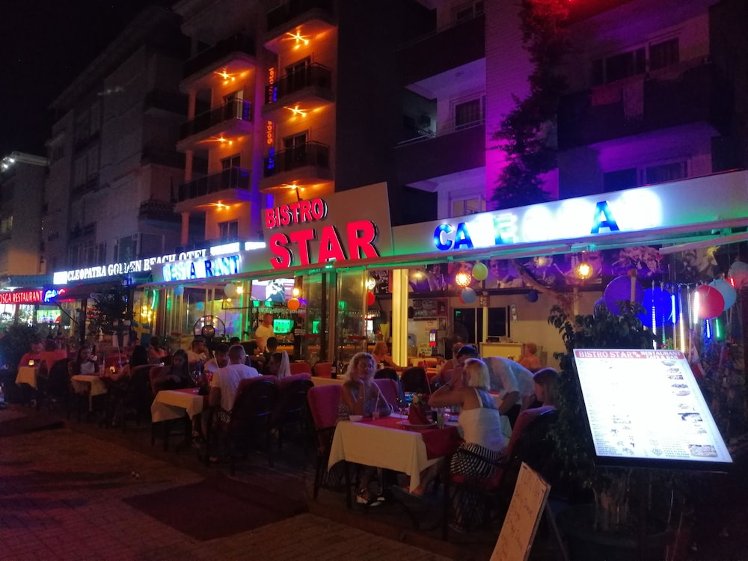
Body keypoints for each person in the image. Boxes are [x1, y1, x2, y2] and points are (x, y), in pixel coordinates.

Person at [427, 358, 506, 531]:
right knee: (450, 451)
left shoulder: (467, 392)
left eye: (463, 373)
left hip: (476, 459)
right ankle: (424, 490)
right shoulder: (489, 397)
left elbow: (432, 401)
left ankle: (460, 517)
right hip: (495, 460)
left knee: (444, 456)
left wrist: (450, 383)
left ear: (468, 375)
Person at [338, 352, 392, 506]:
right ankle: (361, 489)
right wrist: (362, 387)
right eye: (363, 366)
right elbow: (357, 413)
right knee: (375, 448)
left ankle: (385, 486)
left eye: (370, 366)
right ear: (355, 368)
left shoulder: (372, 385)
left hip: (366, 428)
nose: (367, 369)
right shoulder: (347, 387)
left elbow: (388, 409)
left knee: (386, 444)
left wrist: (378, 412)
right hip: (346, 431)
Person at [456, 345, 535, 427]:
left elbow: (514, 393)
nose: (467, 366)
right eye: (462, 364)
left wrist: (495, 415)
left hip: (532, 392)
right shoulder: (477, 371)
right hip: (518, 395)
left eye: (470, 362)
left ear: (478, 357)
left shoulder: (498, 364)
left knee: (516, 425)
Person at [209, 344, 260, 416]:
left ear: (229, 357)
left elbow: (212, 401)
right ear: (242, 357)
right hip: (251, 416)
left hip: (229, 416)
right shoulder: (254, 371)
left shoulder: (219, 373)